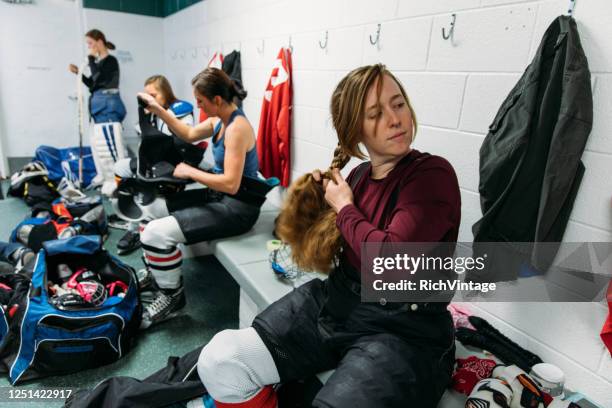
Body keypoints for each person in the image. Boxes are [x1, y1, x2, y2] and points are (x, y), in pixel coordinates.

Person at [195, 64, 462, 407]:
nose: (395, 119)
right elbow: (334, 248)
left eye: (398, 104)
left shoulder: (431, 174)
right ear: (355, 132)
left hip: (404, 330)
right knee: (220, 360)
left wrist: (344, 208)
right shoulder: (360, 175)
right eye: (375, 113)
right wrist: (317, 204)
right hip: (340, 303)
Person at [134, 67, 263, 329]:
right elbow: (189, 134)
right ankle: (157, 273)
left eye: (201, 101)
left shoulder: (237, 128)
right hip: (220, 197)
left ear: (217, 100)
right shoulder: (218, 121)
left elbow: (230, 183)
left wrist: (191, 171)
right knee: (152, 210)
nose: (197, 106)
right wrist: (157, 109)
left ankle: (172, 298)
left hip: (238, 208)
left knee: (154, 234)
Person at [112, 75, 195, 255]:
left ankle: (137, 227)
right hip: (156, 161)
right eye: (147, 96)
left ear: (165, 92)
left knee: (142, 180)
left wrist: (159, 113)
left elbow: (183, 138)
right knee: (120, 167)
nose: (150, 99)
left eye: (154, 95)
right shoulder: (152, 111)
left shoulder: (180, 111)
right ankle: (131, 213)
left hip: (174, 163)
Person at [69, 29, 126, 123]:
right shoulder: (99, 64)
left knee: (109, 134)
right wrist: (78, 72)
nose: (89, 47)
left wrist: (91, 59)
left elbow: (98, 78)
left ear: (99, 42)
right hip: (99, 107)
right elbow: (92, 84)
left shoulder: (111, 61)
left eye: (90, 43)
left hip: (107, 107)